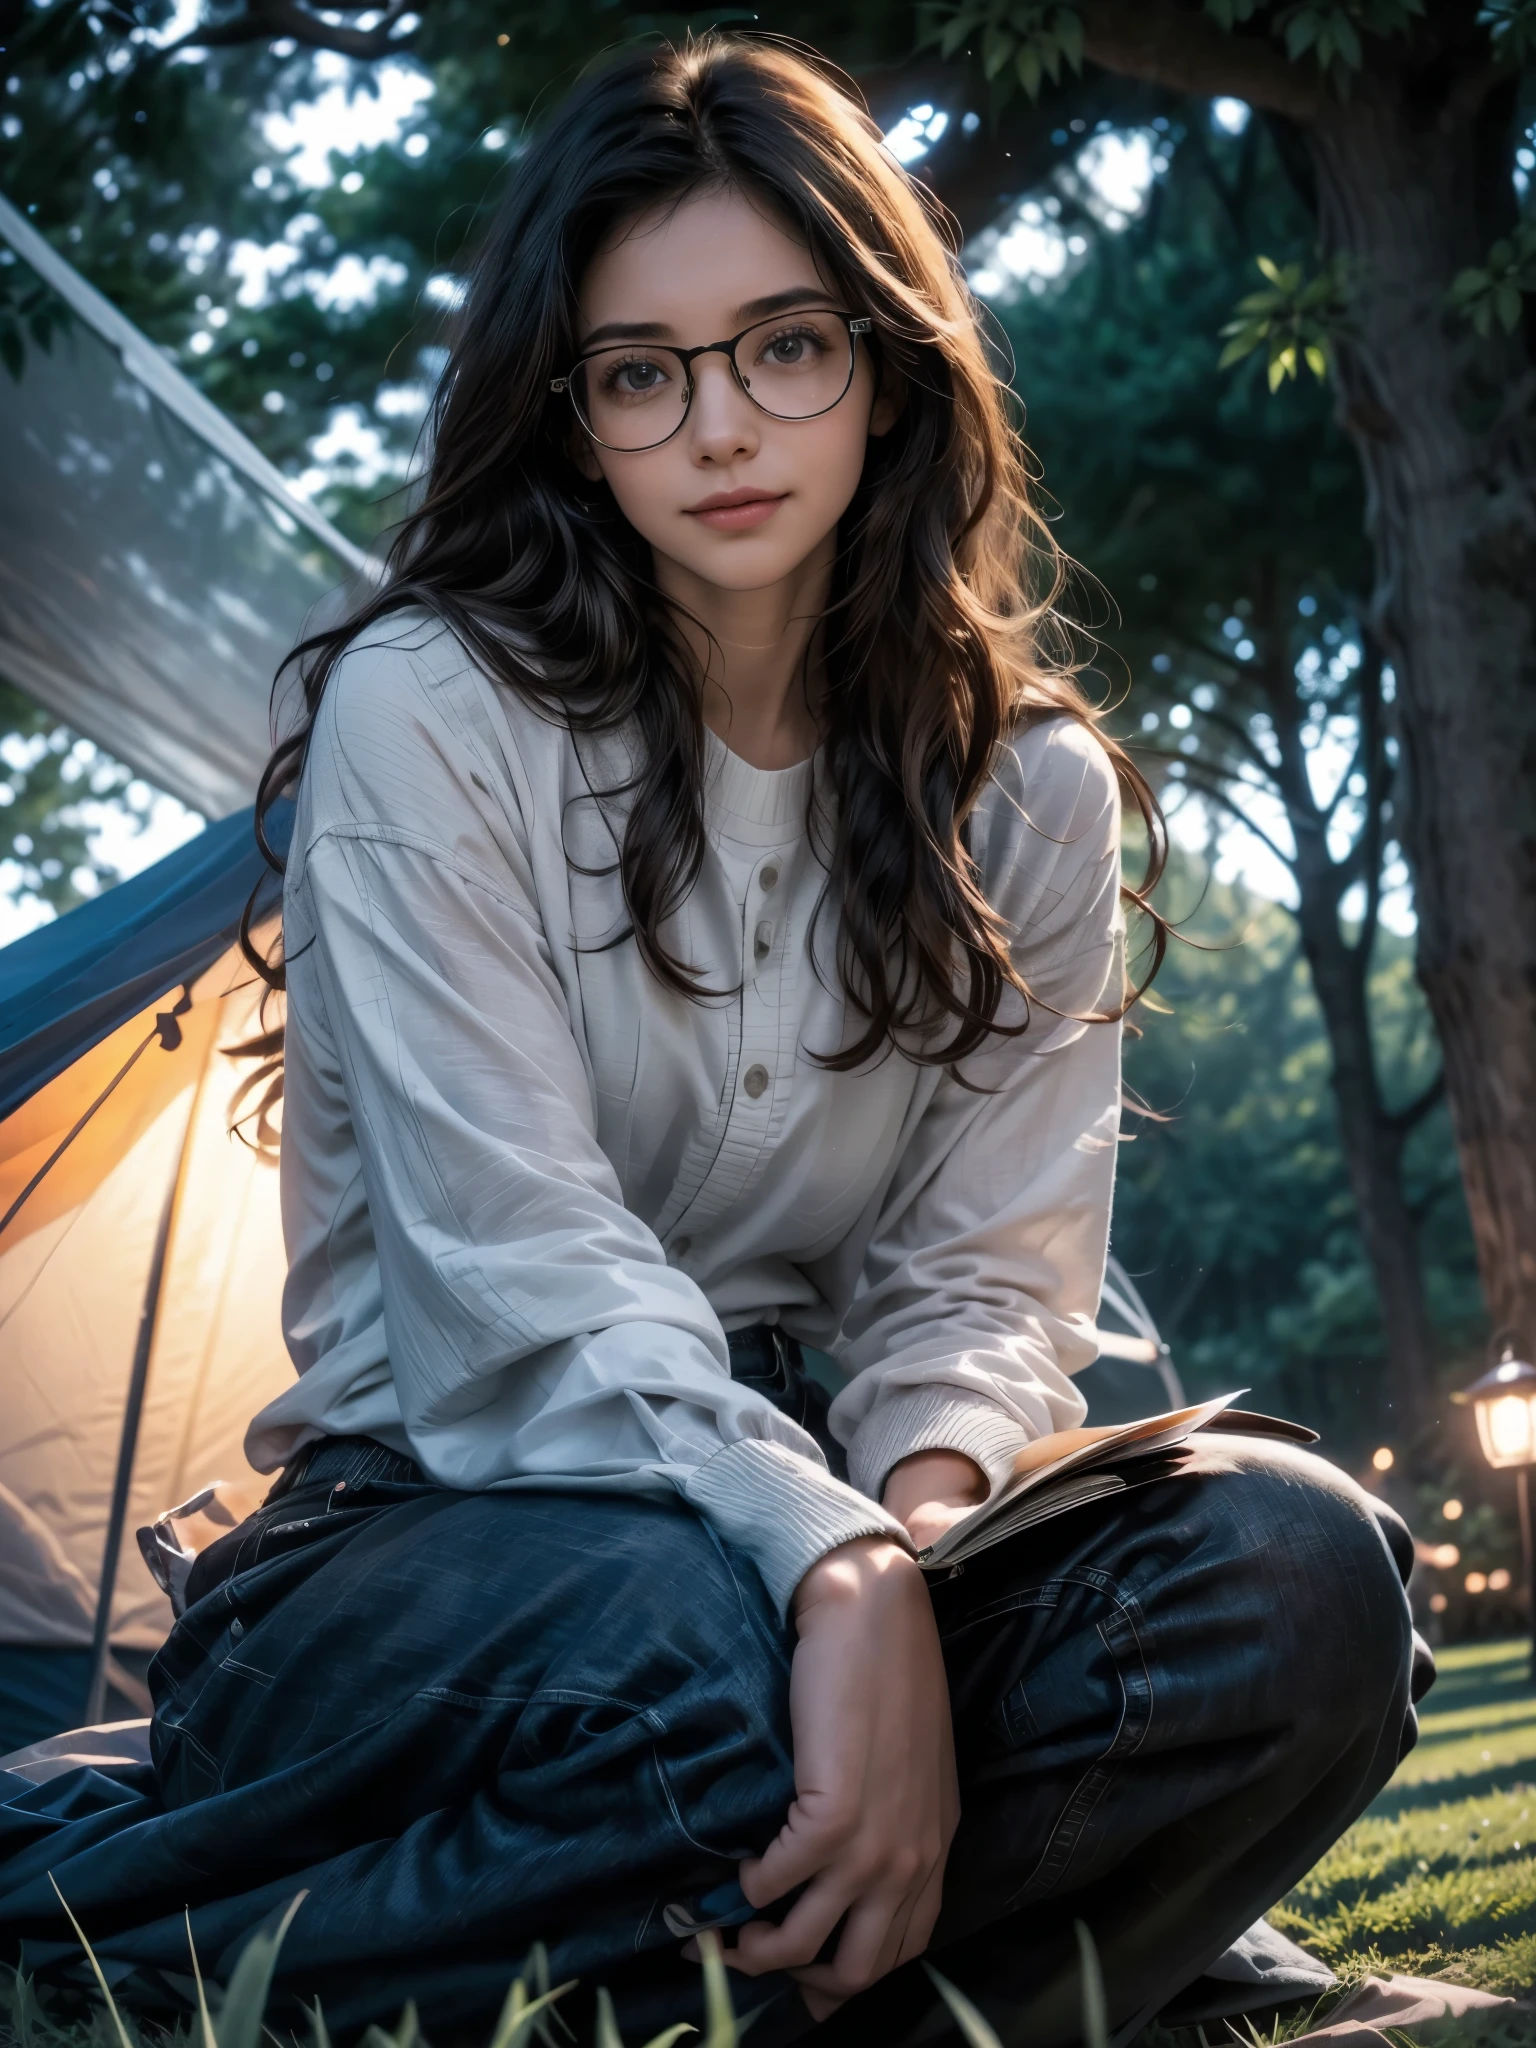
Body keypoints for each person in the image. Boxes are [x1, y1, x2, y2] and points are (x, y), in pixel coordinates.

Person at [0, 35, 1428, 2047]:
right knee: (693, 1655)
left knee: (1303, 1579)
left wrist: (906, 1547)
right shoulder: (435, 710)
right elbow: (521, 1273)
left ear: (886, 358)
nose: (722, 424)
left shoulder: (1025, 789)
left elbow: (986, 1284)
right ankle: (113, 1934)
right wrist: (834, 1582)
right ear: (572, 417)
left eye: (785, 346)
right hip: (428, 1524)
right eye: (643, 370)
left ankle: (707, 1967)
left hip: (835, 1489)